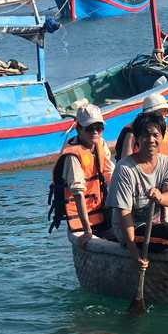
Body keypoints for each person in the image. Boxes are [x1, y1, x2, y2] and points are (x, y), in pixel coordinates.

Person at [109, 111, 168, 271]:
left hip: (159, 225)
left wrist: (160, 197)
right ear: (137, 138)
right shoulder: (124, 168)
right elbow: (124, 215)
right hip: (134, 228)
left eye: (155, 135)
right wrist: (133, 252)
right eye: (145, 135)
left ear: (162, 136)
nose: (151, 140)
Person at [47, 103, 114, 241]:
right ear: (78, 129)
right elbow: (78, 194)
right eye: (90, 128)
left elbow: (110, 175)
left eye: (99, 128)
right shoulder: (73, 156)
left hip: (102, 214)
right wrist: (87, 230)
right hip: (84, 223)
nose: (95, 132)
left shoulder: (100, 144)